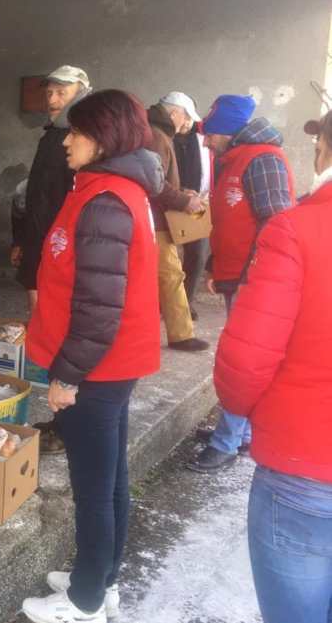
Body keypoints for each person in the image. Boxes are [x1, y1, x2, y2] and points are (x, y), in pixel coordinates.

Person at [21, 90, 164, 623]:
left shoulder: (107, 200)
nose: (67, 141)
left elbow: (99, 308)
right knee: (111, 477)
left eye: (77, 132)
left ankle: (84, 602)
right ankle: (101, 578)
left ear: (103, 139)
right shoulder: (105, 189)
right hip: (108, 363)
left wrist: (66, 376)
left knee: (94, 487)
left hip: (98, 368)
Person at [214, 112, 332, 623]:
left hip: (305, 464)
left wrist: (245, 412)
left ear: (323, 151)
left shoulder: (298, 230)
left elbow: (246, 358)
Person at [187, 95, 294, 473]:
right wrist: (216, 266)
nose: (206, 140)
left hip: (255, 281)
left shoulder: (262, 160)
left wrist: (251, 278)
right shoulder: (233, 159)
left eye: (211, 133)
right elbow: (230, 221)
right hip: (238, 277)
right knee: (241, 359)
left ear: (230, 130)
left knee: (242, 364)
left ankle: (227, 442)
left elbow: (275, 224)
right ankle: (241, 432)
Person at [13, 65, 91, 315]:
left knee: (57, 312)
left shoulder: (86, 139)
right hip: (40, 236)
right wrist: (22, 239)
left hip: (63, 243)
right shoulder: (52, 133)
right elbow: (39, 190)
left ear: (81, 94)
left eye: (61, 93)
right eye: (49, 93)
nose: (52, 100)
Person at [146, 94, 208, 352]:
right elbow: (154, 183)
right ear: (174, 113)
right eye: (186, 117)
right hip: (155, 221)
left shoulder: (154, 132)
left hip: (151, 218)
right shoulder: (158, 136)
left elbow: (155, 180)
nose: (187, 124)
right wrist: (184, 201)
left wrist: (182, 192)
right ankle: (181, 335)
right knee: (172, 276)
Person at [172, 94, 212, 319]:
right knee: (166, 255)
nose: (186, 121)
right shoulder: (163, 136)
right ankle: (165, 301)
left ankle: (187, 302)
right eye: (183, 115)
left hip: (198, 203)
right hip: (168, 200)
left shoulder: (204, 135)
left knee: (197, 253)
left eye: (190, 116)